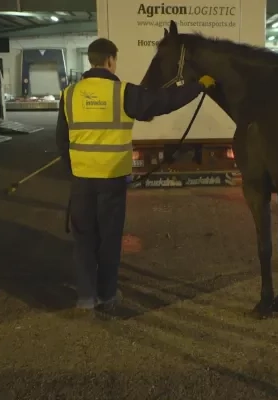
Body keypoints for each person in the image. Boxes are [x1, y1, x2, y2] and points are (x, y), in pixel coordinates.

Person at [56, 38, 215, 318]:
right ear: (110, 60)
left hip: (81, 181)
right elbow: (163, 103)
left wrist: (75, 170)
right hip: (112, 180)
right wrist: (198, 86)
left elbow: (61, 140)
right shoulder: (122, 93)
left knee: (83, 239)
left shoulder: (69, 94)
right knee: (109, 239)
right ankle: (106, 296)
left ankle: (85, 297)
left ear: (91, 60)